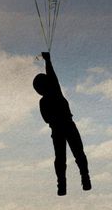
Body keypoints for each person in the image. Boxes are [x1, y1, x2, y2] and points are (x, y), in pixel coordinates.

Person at [33, 52, 91, 196]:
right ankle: (85, 179)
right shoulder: (55, 92)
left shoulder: (43, 101)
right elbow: (52, 76)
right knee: (78, 153)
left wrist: (48, 61)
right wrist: (48, 60)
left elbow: (46, 119)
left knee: (61, 158)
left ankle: (62, 186)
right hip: (68, 126)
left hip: (58, 129)